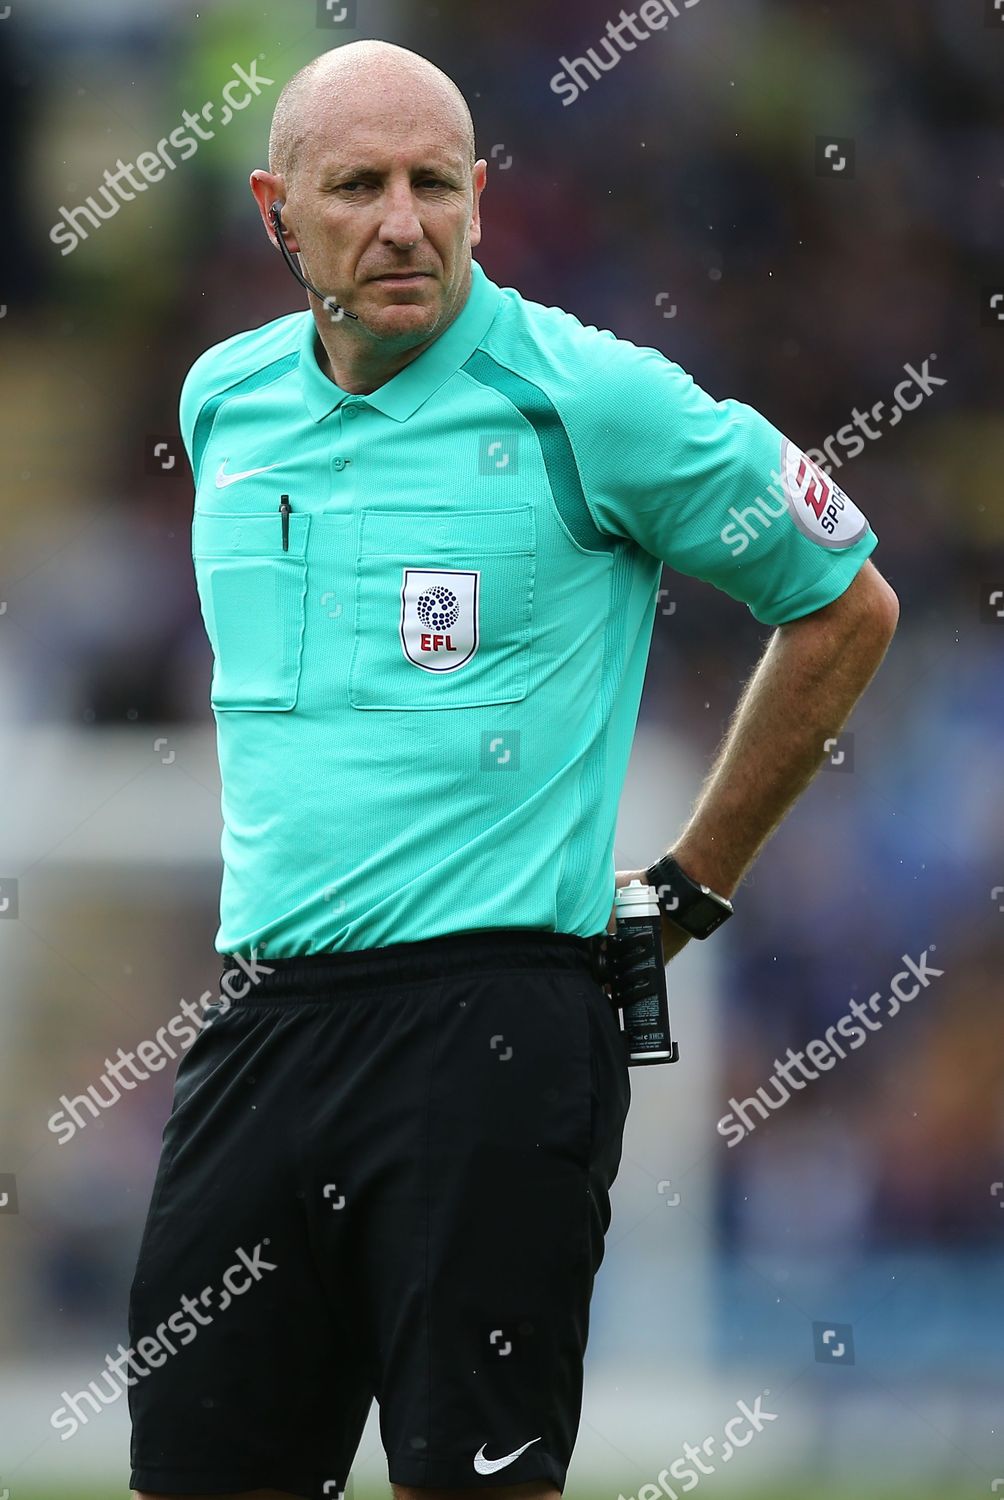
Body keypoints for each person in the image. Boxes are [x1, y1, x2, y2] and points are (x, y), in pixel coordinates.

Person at [127, 37, 899, 1500]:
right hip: (264, 1024)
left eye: (437, 183)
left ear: (484, 196)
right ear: (275, 210)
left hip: (493, 1028)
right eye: (357, 186)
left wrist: (694, 885)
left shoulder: (589, 398)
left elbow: (844, 599)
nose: (404, 220)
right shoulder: (223, 402)